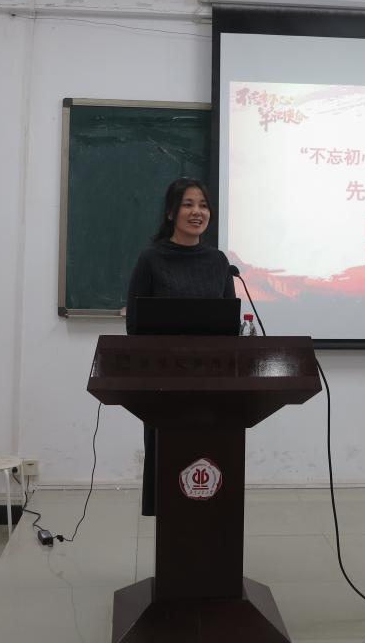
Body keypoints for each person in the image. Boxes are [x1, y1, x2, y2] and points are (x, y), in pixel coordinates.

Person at [125, 177, 236, 516]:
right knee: (170, 474)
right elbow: (135, 324)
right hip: (164, 385)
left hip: (212, 384)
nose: (197, 211)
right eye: (188, 204)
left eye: (203, 205)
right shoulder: (151, 260)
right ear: (171, 213)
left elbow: (229, 324)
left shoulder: (219, 262)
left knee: (214, 463)